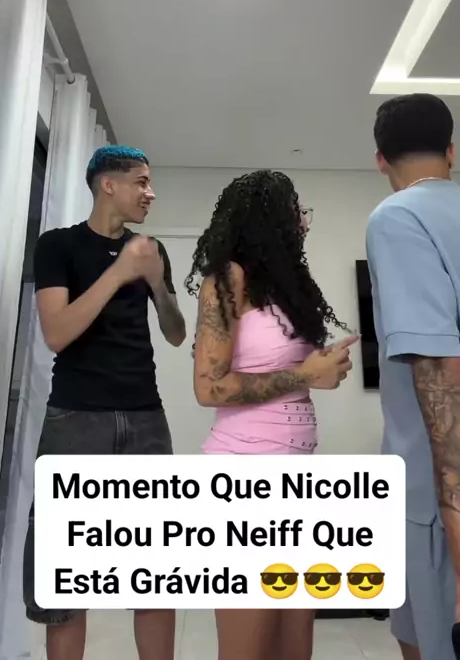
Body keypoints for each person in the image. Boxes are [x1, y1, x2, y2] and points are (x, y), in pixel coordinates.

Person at [24, 145, 186, 660]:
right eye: (141, 181)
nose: (150, 193)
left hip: (146, 417)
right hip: (77, 419)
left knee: (157, 572)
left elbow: (176, 334)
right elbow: (57, 333)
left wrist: (157, 282)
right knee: (65, 573)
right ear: (107, 185)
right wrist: (118, 275)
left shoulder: (151, 249)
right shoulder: (57, 246)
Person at [186, 170, 357, 660]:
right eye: (296, 210)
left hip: (297, 476)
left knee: (294, 645)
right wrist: (304, 374)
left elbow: (290, 370)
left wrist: (321, 370)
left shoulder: (286, 289)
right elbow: (209, 387)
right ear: (268, 220)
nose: (303, 221)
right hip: (245, 478)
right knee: (248, 647)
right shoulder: (227, 280)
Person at [366, 93, 460, 660]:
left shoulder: (398, 217)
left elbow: (438, 368)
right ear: (451, 151)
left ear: (380, 159)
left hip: (435, 493)